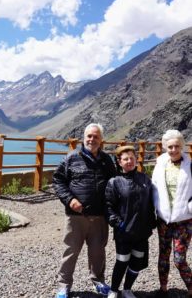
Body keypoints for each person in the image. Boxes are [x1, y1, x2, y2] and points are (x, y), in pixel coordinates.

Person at [53, 123, 116, 298]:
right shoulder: (72, 157)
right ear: (83, 137)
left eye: (96, 136)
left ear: (101, 140)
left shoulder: (106, 160)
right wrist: (69, 199)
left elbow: (114, 183)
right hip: (76, 216)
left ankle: (98, 281)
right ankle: (63, 285)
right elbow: (58, 181)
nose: (91, 139)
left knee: (98, 251)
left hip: (99, 216)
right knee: (70, 251)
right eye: (89, 136)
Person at [105, 146, 156, 298]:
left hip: (142, 232)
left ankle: (127, 289)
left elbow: (152, 203)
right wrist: (119, 223)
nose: (129, 161)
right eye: (125, 159)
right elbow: (108, 207)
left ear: (136, 160)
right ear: (119, 162)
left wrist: (151, 223)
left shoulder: (145, 179)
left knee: (136, 262)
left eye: (132, 158)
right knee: (122, 261)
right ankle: (114, 290)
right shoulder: (114, 182)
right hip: (124, 232)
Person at [152, 130, 192, 298]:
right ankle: (163, 289)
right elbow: (154, 187)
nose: (174, 149)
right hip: (164, 219)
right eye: (170, 146)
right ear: (165, 147)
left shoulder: (190, 166)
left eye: (177, 146)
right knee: (163, 256)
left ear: (182, 146)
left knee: (179, 259)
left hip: (184, 219)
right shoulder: (160, 164)